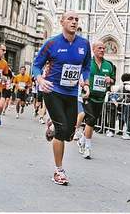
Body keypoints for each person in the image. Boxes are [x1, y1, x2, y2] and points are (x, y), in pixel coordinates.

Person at [33, 10, 91, 185]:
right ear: (62, 22)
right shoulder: (52, 43)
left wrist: (86, 83)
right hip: (52, 90)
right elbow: (36, 65)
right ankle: (59, 171)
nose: (74, 22)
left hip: (72, 92)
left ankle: (52, 125)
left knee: (69, 134)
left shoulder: (84, 44)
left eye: (76, 19)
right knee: (61, 129)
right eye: (70, 19)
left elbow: (86, 66)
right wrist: (40, 78)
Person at [77, 41, 116, 159]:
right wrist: (82, 83)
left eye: (104, 48)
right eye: (100, 48)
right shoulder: (88, 62)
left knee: (92, 122)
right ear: (93, 50)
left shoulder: (109, 65)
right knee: (91, 119)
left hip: (100, 98)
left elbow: (114, 80)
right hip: (88, 96)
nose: (102, 50)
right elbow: (79, 75)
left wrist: (110, 80)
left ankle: (82, 139)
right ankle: (88, 148)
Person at [115, 73, 130, 140]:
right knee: (126, 117)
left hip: (128, 103)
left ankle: (129, 133)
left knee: (126, 117)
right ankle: (128, 133)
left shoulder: (126, 86)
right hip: (129, 102)